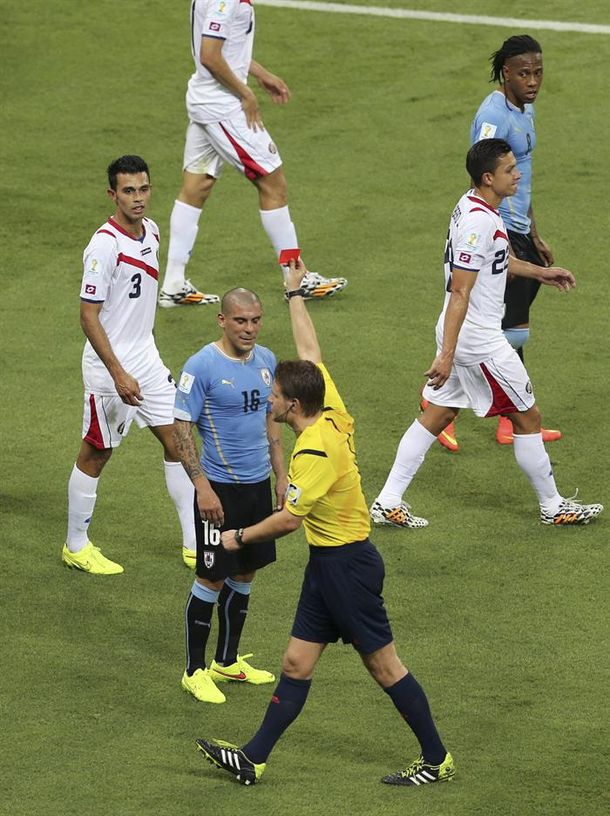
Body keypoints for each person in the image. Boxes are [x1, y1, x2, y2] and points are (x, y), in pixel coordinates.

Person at [194, 260, 454, 787]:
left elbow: (289, 520)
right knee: (294, 662)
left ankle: (436, 759)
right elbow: (310, 354)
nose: (267, 400)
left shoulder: (314, 450)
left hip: (347, 568)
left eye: (274, 397)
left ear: (292, 404)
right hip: (327, 565)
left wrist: (237, 536)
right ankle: (253, 758)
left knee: (385, 667)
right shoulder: (329, 409)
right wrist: (294, 294)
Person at [370, 139, 603, 530]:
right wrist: (447, 355)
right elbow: (461, 289)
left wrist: (542, 272)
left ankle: (387, 499)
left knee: (439, 413)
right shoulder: (480, 221)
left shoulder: (473, 205)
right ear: (488, 177)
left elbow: (497, 261)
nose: (518, 174)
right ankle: (553, 505)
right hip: (476, 339)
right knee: (528, 418)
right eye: (510, 170)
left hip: (459, 331)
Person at [158, 0, 347, 307]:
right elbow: (209, 54)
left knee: (196, 187)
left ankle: (173, 284)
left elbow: (225, 47)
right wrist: (246, 93)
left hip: (204, 99)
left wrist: (260, 73)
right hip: (223, 106)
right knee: (273, 183)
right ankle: (295, 278)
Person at [62, 155, 197, 575]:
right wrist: (119, 371)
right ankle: (76, 545)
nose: (138, 199)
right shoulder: (104, 245)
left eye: (144, 189)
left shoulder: (152, 232)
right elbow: (88, 315)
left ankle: (193, 542)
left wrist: (142, 358)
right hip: (110, 368)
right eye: (128, 191)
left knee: (179, 442)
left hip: (148, 359)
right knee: (96, 453)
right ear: (112, 194)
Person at [433, 35, 561, 453]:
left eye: (538, 73)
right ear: (506, 72)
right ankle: (449, 407)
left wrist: (534, 232)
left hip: (518, 228)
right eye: (524, 73)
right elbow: (483, 172)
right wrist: (493, 234)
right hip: (498, 232)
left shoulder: (525, 108)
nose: (533, 81)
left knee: (514, 325)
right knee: (499, 328)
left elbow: (521, 175)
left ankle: (509, 418)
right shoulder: (493, 116)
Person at [173, 288, 287, 704]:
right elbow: (181, 428)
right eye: (241, 320)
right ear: (222, 320)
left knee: (245, 572)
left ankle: (227, 660)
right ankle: (194, 670)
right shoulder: (201, 366)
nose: (250, 328)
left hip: (258, 486)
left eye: (256, 320)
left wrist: (281, 473)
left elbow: (271, 421)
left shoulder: (266, 361)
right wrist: (201, 486)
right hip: (218, 490)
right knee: (211, 575)